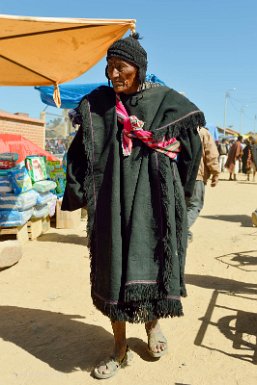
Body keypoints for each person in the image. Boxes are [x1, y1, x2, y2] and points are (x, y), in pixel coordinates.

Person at [61, 33, 204, 379]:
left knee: (151, 263)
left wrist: (180, 196)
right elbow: (78, 153)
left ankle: (153, 327)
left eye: (120, 67)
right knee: (113, 271)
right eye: (109, 67)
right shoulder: (97, 106)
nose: (113, 74)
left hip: (153, 203)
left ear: (138, 68)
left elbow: (191, 150)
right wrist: (79, 192)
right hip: (111, 202)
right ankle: (120, 347)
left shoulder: (165, 102)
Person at [186, 127, 220, 242]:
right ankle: (181, 230)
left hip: (178, 176)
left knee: (183, 206)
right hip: (197, 176)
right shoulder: (203, 132)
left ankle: (184, 232)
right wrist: (216, 173)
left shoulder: (179, 129)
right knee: (194, 205)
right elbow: (211, 154)